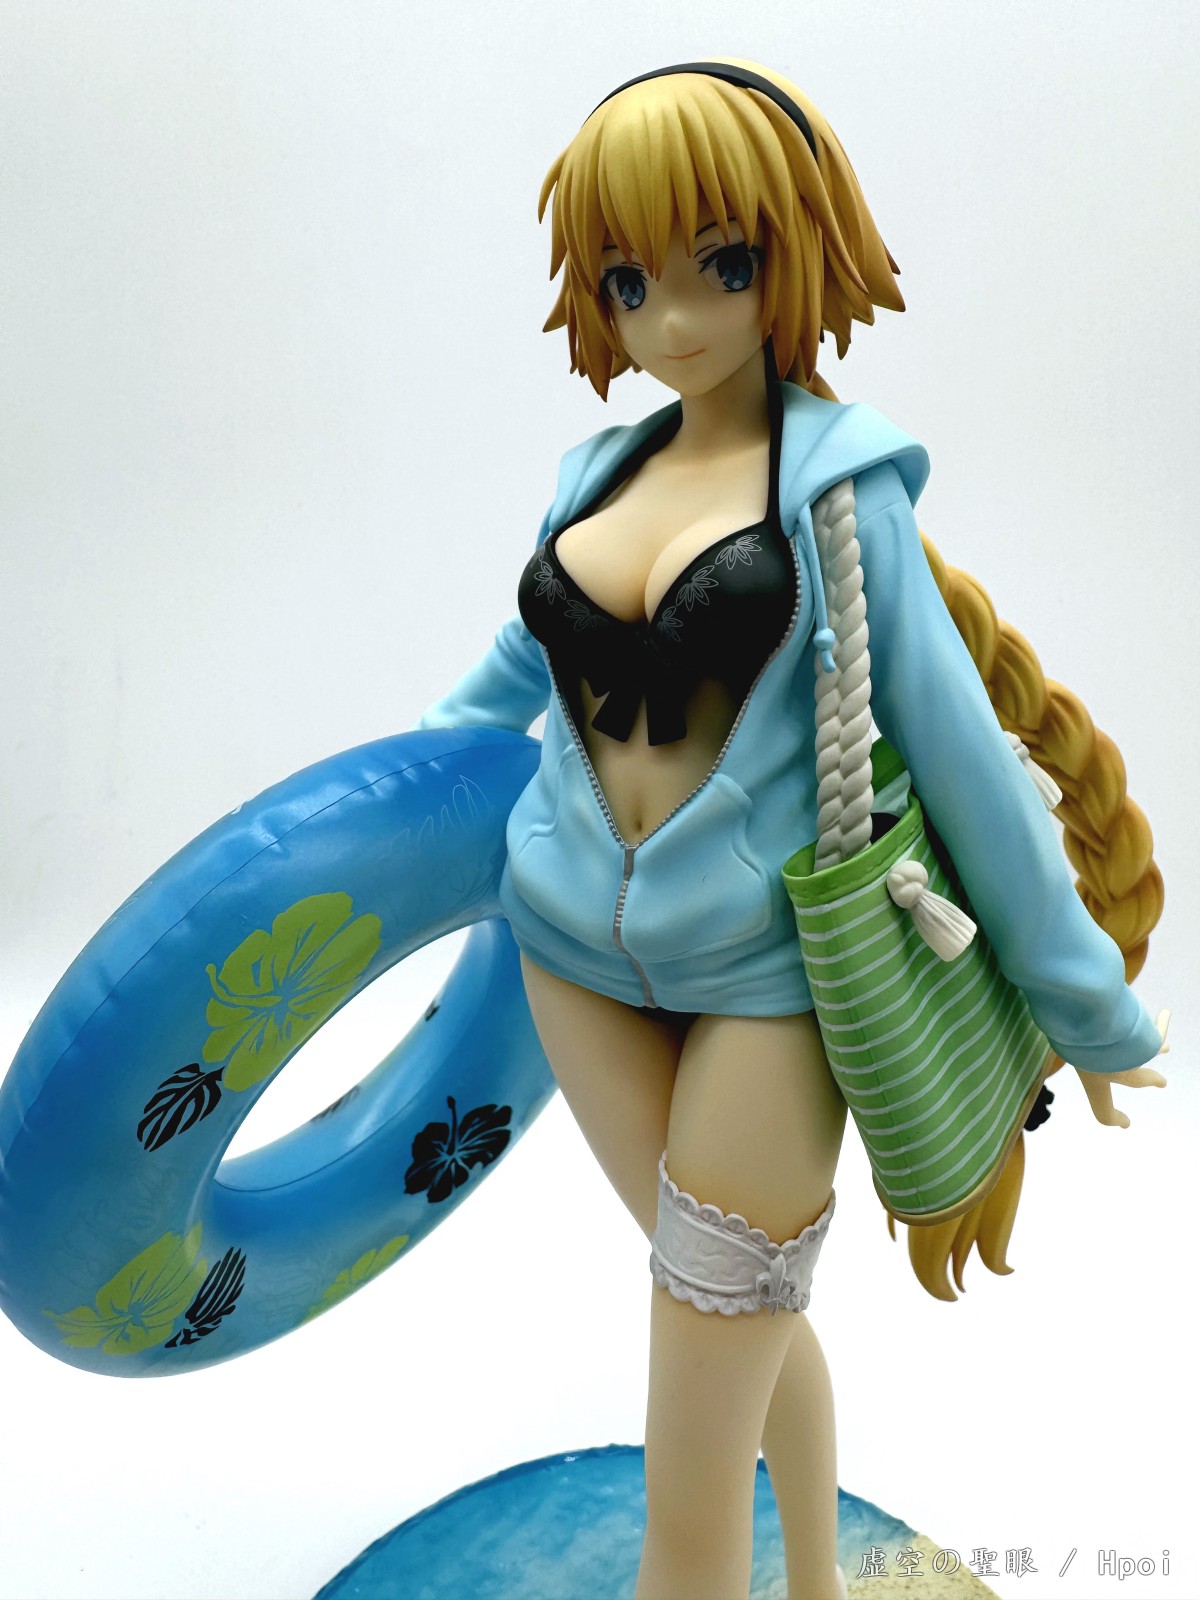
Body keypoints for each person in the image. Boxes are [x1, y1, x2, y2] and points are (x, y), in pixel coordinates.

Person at [417, 60, 1166, 1600]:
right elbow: (502, 680)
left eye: (722, 264)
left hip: (768, 985)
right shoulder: (596, 476)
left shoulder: (840, 496)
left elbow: (961, 763)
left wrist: (1088, 1004)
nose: (674, 318)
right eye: (629, 280)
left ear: (793, 253)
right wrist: (353, 824)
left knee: (696, 1444)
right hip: (566, 954)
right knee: (733, 1317)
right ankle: (816, 1583)